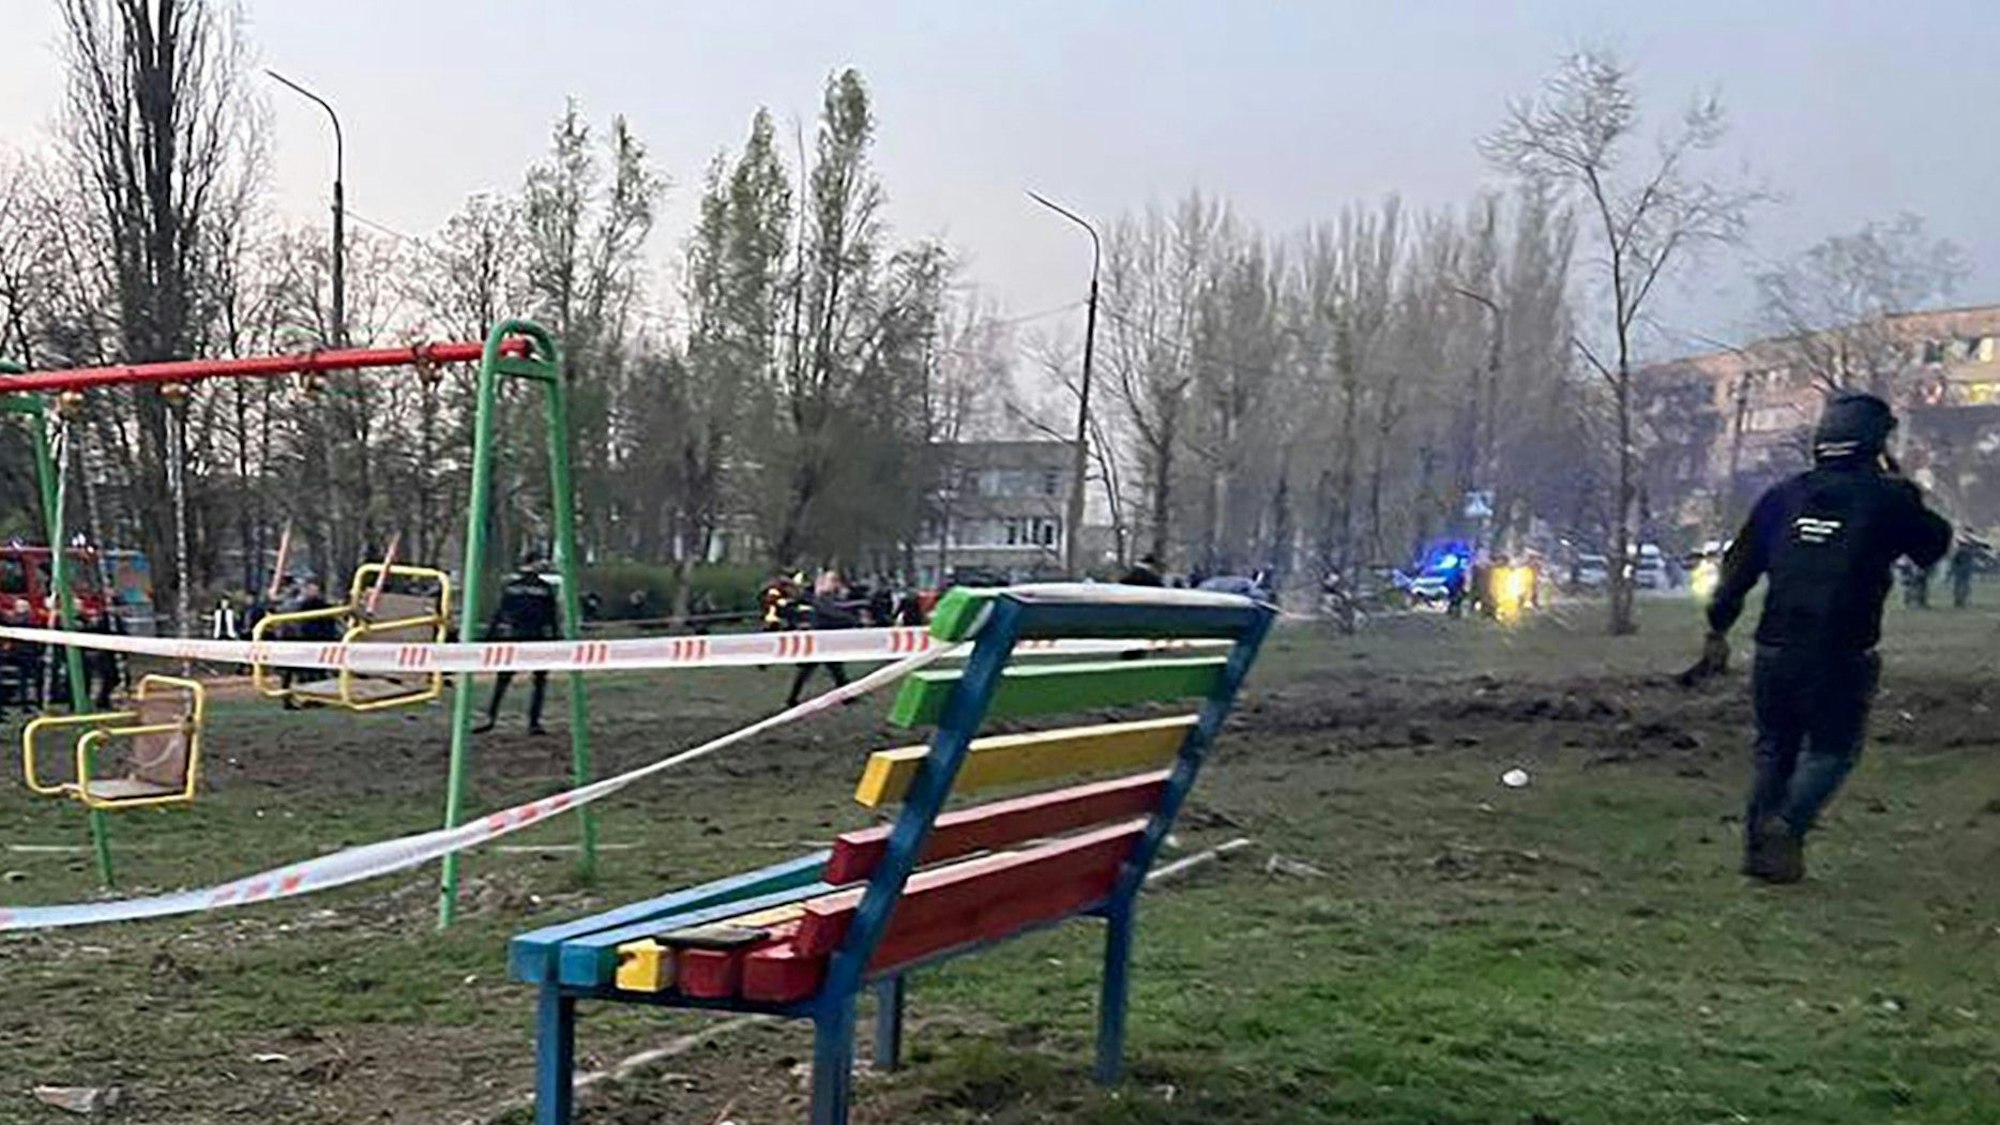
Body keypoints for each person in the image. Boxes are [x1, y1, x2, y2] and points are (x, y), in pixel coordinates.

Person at [1695, 393, 1952, 884]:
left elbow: (1737, 571)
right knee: (1834, 751)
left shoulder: (1784, 496)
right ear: (1875, 442)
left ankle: (1758, 854)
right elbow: (1933, 546)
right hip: (1842, 650)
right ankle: (1787, 827)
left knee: (1775, 747)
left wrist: (1717, 628)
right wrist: (1907, 487)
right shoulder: (1887, 497)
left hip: (1774, 647)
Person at [476, 555, 560, 735]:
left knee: (503, 679)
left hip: (514, 636)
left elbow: (500, 612)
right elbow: (551, 616)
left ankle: (491, 718)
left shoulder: (512, 587)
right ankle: (534, 722)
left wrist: (489, 636)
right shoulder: (544, 588)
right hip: (537, 637)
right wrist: (556, 637)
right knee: (539, 681)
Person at [786, 571, 855, 707]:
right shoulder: (822, 598)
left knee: (836, 670)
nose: (836, 584)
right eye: (833, 581)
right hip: (820, 640)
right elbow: (830, 613)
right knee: (810, 670)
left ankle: (846, 696)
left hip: (826, 639)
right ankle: (792, 698)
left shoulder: (827, 598)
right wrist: (851, 619)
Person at [280, 579, 341, 708]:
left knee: (312, 673)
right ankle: (290, 699)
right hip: (296, 642)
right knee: (294, 673)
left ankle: (312, 698)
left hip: (309, 641)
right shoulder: (295, 605)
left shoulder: (313, 605)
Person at [1949, 541, 1978, 609]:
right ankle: (1962, 601)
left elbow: (1954, 562)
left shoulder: (1960, 552)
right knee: (1964, 587)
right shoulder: (1966, 552)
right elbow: (1955, 562)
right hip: (1963, 572)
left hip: (1962, 572)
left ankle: (1960, 601)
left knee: (1960, 586)